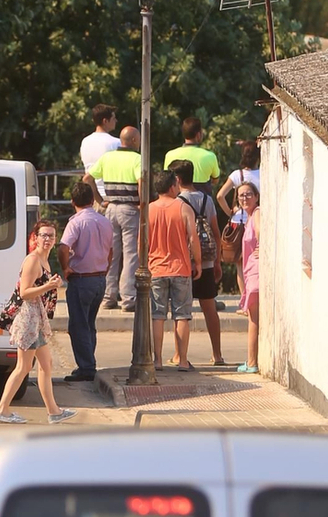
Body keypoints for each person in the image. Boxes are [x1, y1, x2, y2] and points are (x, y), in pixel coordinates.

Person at [0, 217, 75, 426]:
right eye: (43, 235)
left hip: (36, 321)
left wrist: (51, 285)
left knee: (46, 365)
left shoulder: (44, 260)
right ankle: (2, 410)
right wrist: (49, 286)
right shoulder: (32, 260)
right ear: (36, 238)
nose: (47, 239)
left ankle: (54, 412)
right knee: (23, 367)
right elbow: (24, 292)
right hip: (28, 321)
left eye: (51, 235)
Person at [146, 167, 200, 372]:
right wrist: (197, 261)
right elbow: (193, 238)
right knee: (182, 315)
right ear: (172, 186)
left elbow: (141, 242)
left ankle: (157, 359)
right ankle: (183, 360)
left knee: (158, 316)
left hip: (156, 268)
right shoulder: (183, 208)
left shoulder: (149, 209)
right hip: (180, 267)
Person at [60, 179, 113, 385]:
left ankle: (86, 367)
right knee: (89, 323)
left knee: (78, 325)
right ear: (92, 200)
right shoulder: (104, 221)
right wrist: (104, 268)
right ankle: (88, 362)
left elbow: (64, 248)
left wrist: (65, 267)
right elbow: (111, 251)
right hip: (99, 279)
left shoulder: (76, 222)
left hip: (81, 279)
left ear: (73, 201)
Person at [177, 168, 226, 366]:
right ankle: (217, 354)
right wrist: (216, 260)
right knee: (210, 308)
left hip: (184, 263)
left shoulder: (177, 202)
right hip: (205, 261)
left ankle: (180, 356)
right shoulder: (207, 200)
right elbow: (216, 232)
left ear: (178, 179)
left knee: (182, 312)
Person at [91, 124, 142, 312]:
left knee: (111, 255)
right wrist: (142, 205)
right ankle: (128, 298)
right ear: (134, 141)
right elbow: (141, 183)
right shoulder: (137, 159)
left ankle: (108, 297)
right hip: (130, 210)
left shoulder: (107, 157)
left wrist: (99, 199)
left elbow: (87, 178)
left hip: (110, 208)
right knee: (131, 255)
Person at [233, 179, 261, 376]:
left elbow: (260, 232)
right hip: (251, 271)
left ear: (256, 196)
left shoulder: (257, 213)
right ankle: (252, 360)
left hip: (256, 272)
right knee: (254, 317)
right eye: (241, 195)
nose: (245, 198)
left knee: (253, 319)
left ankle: (252, 362)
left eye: (248, 194)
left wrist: (261, 246)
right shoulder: (249, 216)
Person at [164, 116, 220, 189]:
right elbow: (215, 180)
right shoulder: (209, 156)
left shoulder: (170, 155)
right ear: (198, 135)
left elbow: (166, 179)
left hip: (177, 198)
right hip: (202, 198)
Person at [218, 138, 262, 215]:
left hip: (239, 219)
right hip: (257, 218)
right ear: (258, 157)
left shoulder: (237, 174)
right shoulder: (263, 174)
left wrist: (230, 213)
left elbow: (220, 196)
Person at [79, 102, 120, 177]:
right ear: (105, 121)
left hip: (90, 187)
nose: (116, 121)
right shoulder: (116, 143)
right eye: (113, 118)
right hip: (108, 187)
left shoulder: (85, 142)